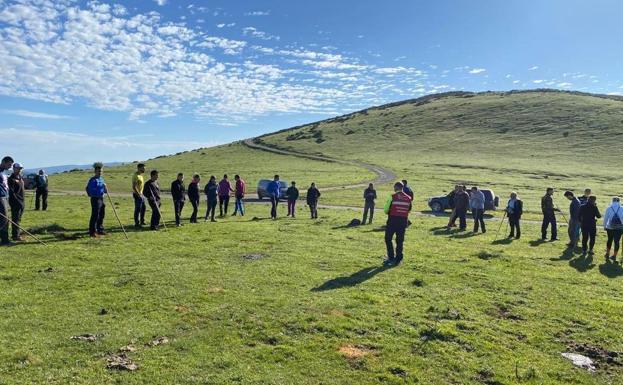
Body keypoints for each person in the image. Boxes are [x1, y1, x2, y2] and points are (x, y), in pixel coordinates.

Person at [383, 181, 413, 266]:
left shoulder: (392, 196)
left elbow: (386, 210)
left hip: (392, 220)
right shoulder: (408, 198)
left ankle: (391, 257)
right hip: (403, 221)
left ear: (396, 188)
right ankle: (399, 258)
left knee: (388, 238)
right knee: (400, 240)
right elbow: (409, 209)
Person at [85, 162, 107, 237]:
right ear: (95, 171)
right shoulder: (93, 180)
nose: (100, 172)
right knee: (95, 215)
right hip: (95, 199)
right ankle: (92, 231)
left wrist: (105, 189)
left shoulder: (101, 179)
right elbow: (90, 190)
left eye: (101, 171)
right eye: (98, 171)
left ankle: (100, 229)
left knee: (101, 214)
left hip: (101, 198)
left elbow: (104, 191)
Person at [8, 163, 25, 241]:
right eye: (18, 168)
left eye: (21, 168)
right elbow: (12, 193)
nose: (20, 170)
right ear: (14, 168)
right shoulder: (11, 179)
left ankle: (16, 234)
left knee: (19, 219)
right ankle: (15, 236)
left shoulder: (20, 178)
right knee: (15, 219)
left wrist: (22, 202)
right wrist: (18, 202)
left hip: (22, 201)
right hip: (15, 203)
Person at [0, 156, 15, 246]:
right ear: (3, 162)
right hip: (0, 197)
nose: (10, 167)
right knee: (4, 220)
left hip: (5, 197)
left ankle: (5, 239)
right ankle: (5, 241)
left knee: (6, 219)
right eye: (9, 164)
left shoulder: (3, 172)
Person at [603, 197, 623, 262]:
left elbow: (606, 218)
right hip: (619, 228)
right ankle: (614, 255)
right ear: (619, 201)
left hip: (610, 227)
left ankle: (607, 253)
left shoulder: (609, 208)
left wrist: (604, 226)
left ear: (612, 201)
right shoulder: (622, 208)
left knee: (609, 240)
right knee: (617, 241)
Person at [132, 163, 146, 228]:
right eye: (143, 168)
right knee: (138, 209)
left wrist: (142, 194)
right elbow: (134, 187)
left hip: (141, 194)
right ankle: (136, 223)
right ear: (139, 168)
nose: (144, 169)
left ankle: (142, 221)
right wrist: (138, 195)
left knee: (143, 208)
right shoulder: (135, 176)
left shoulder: (141, 176)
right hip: (137, 195)